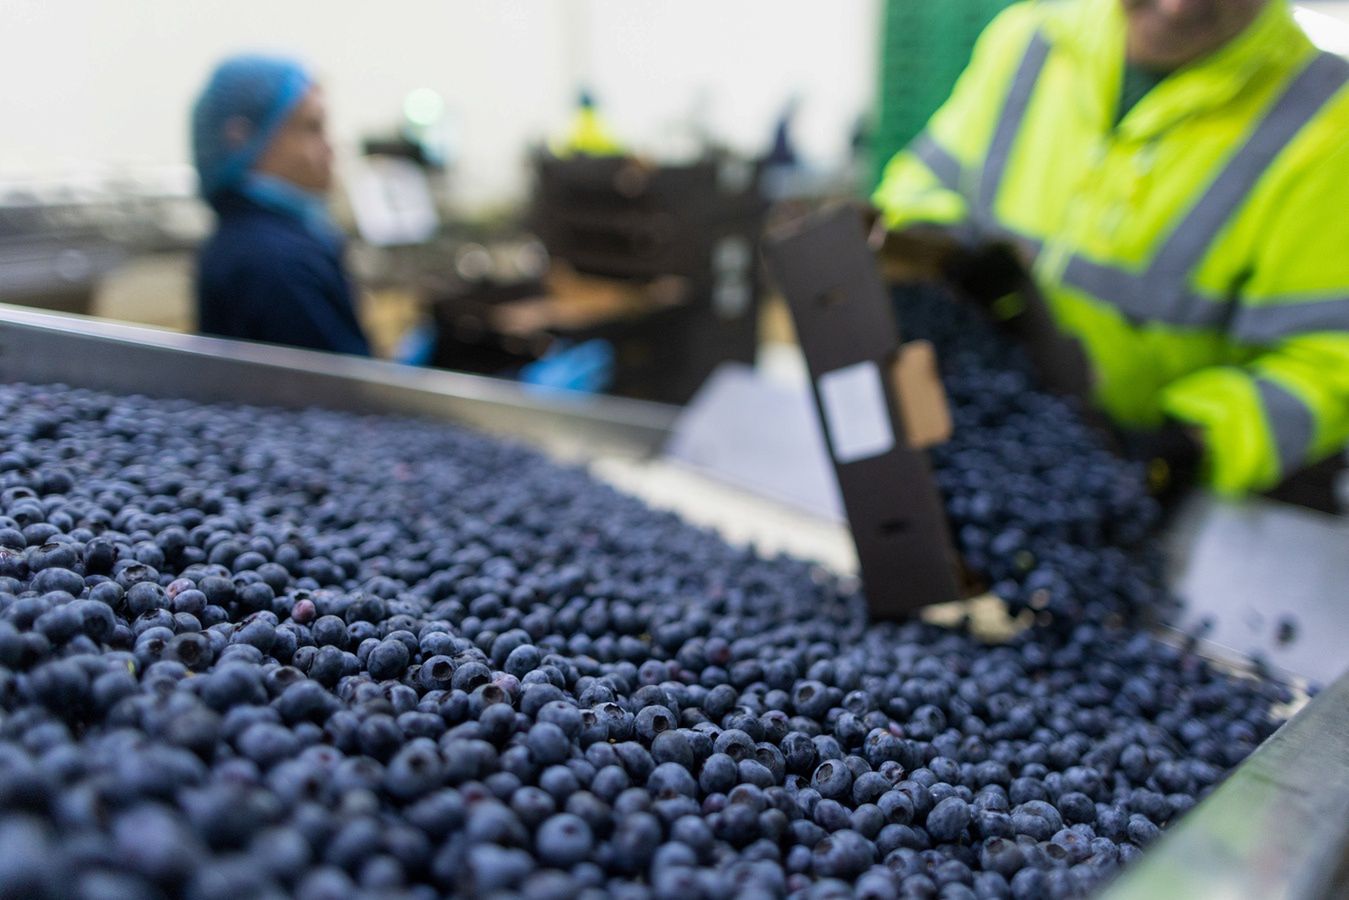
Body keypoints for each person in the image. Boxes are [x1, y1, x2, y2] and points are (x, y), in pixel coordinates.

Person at [872, 0, 1349, 499]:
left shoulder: (1327, 119)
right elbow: (924, 183)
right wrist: (936, 243)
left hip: (1147, 492)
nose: (1176, 7)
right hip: (977, 421)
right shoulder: (1031, 38)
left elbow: (1329, 362)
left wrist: (1188, 443)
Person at [192, 55, 371, 356]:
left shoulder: (252, 242)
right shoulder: (276, 261)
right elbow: (342, 390)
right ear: (240, 137)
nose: (330, 147)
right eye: (312, 128)